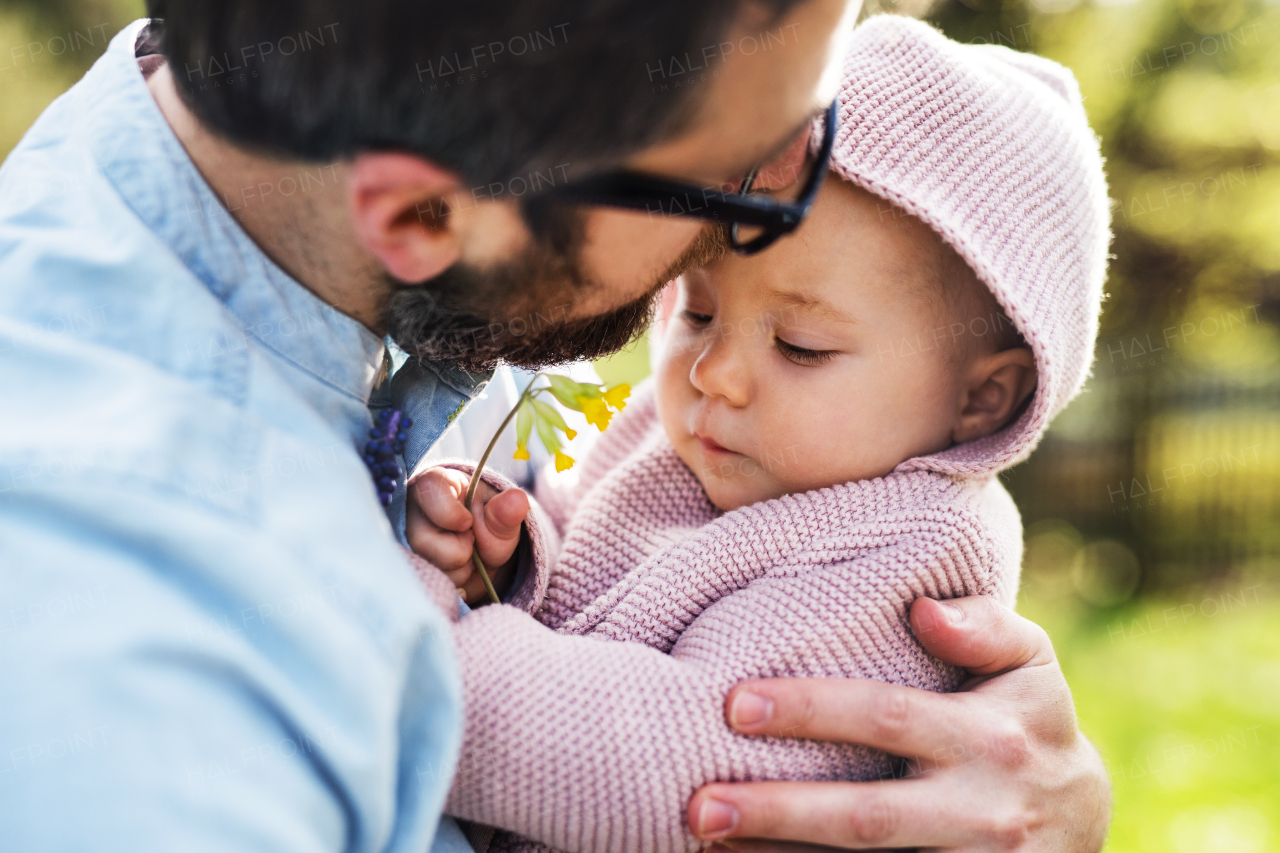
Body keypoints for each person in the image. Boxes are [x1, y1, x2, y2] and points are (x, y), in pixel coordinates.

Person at [0, 1, 1108, 850]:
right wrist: (412, 631)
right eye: (729, 180)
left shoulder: (391, 296)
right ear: (424, 211)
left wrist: (493, 573)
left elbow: (685, 733)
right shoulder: (132, 648)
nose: (754, 223)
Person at [405, 16, 1109, 853]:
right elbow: (590, 571)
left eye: (801, 347)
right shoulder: (689, 436)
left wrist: (412, 654)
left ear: (983, 399)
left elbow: (675, 764)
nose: (716, 371)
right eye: (696, 309)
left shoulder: (910, 558)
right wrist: (506, 556)